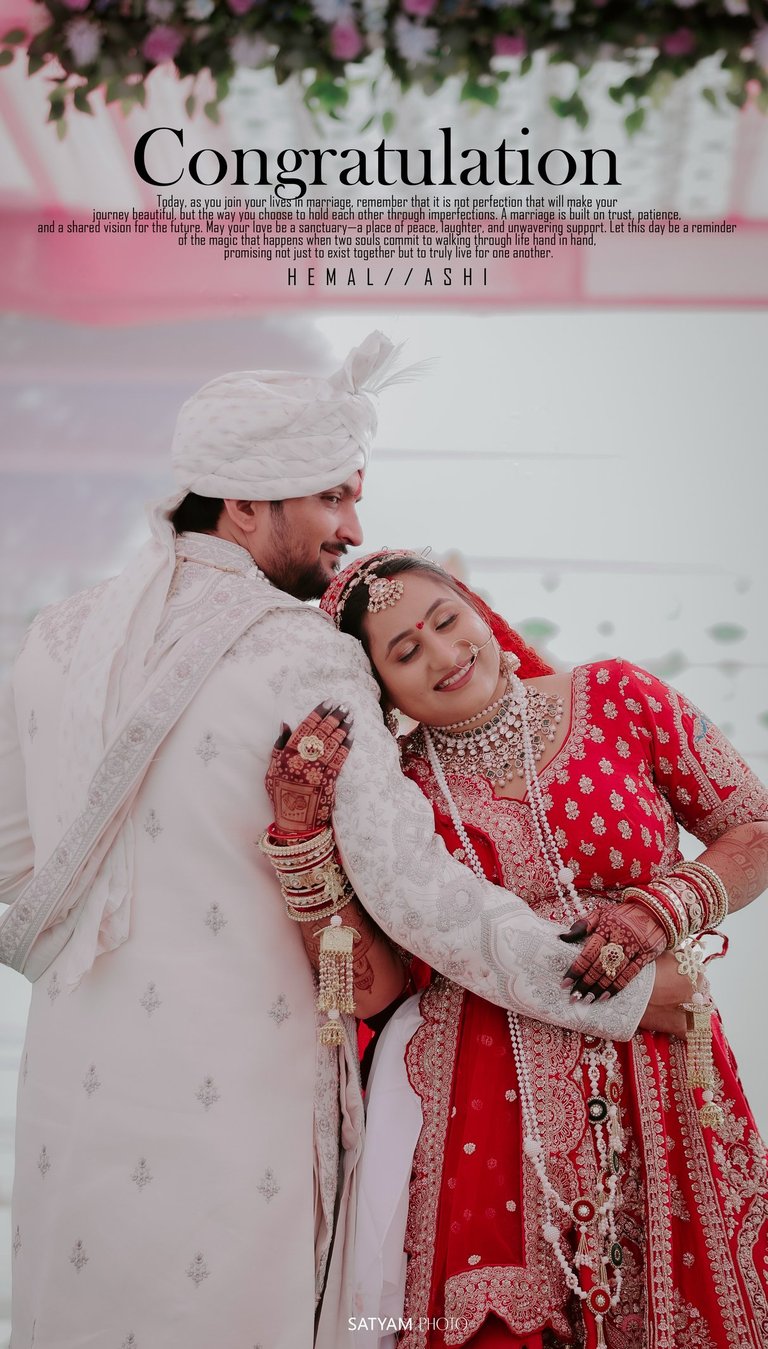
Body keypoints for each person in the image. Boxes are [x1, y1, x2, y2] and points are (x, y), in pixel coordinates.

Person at [0, 334, 682, 1349]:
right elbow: (422, 894)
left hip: (75, 1087)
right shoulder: (297, 652)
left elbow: (18, 871)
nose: (351, 528)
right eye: (330, 497)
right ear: (244, 501)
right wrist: (615, 986)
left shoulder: (55, 636)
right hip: (241, 1095)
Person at [262, 548, 768, 1349]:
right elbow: (372, 988)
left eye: (445, 620)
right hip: (485, 1108)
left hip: (659, 1062)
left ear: (477, 605)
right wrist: (302, 842)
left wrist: (656, 912)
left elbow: (756, 827)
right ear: (381, 688)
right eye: (405, 652)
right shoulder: (400, 795)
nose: (442, 653)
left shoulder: (617, 696)